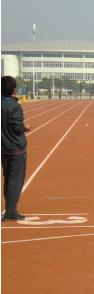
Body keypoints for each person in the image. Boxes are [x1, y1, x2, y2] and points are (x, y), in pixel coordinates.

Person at [1, 76, 32, 222]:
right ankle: (11, 212)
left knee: (8, 178)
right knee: (15, 180)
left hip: (3, 147)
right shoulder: (14, 106)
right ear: (13, 90)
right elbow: (17, 127)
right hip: (16, 148)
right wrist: (25, 128)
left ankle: (10, 209)